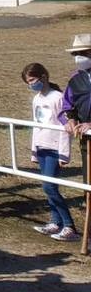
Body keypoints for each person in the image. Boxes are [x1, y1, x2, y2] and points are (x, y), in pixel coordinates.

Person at [22, 63, 79, 242]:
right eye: (27, 82)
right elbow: (36, 125)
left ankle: (69, 226)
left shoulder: (58, 98)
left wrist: (64, 153)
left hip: (55, 148)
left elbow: (65, 128)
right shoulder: (37, 99)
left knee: (49, 187)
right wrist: (34, 151)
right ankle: (55, 221)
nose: (30, 84)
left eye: (32, 80)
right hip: (42, 147)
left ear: (43, 76)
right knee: (47, 187)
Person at [60, 34, 91, 186]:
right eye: (75, 54)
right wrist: (71, 119)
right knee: (89, 177)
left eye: (83, 53)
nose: (78, 57)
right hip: (86, 137)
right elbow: (68, 104)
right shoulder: (75, 78)